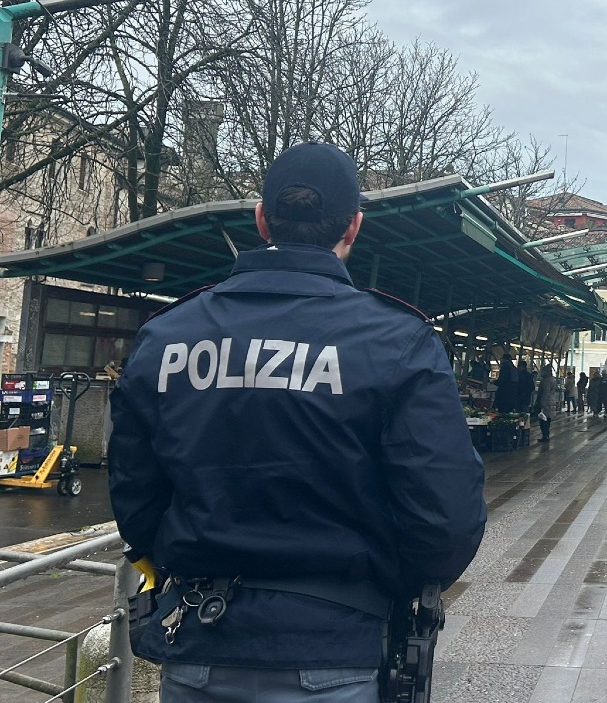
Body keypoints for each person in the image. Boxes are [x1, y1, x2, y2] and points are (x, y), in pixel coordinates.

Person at [107, 142, 487, 702]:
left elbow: (133, 491)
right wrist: (380, 588)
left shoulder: (167, 336)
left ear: (261, 219)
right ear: (354, 226)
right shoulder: (397, 341)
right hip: (337, 650)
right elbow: (445, 513)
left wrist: (185, 561)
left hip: (198, 644)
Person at [534, 363, 555, 442]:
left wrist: (542, 403)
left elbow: (545, 392)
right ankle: (546, 435)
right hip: (551, 400)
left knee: (543, 419)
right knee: (548, 419)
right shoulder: (552, 379)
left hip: (545, 402)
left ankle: (545, 435)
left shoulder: (546, 381)